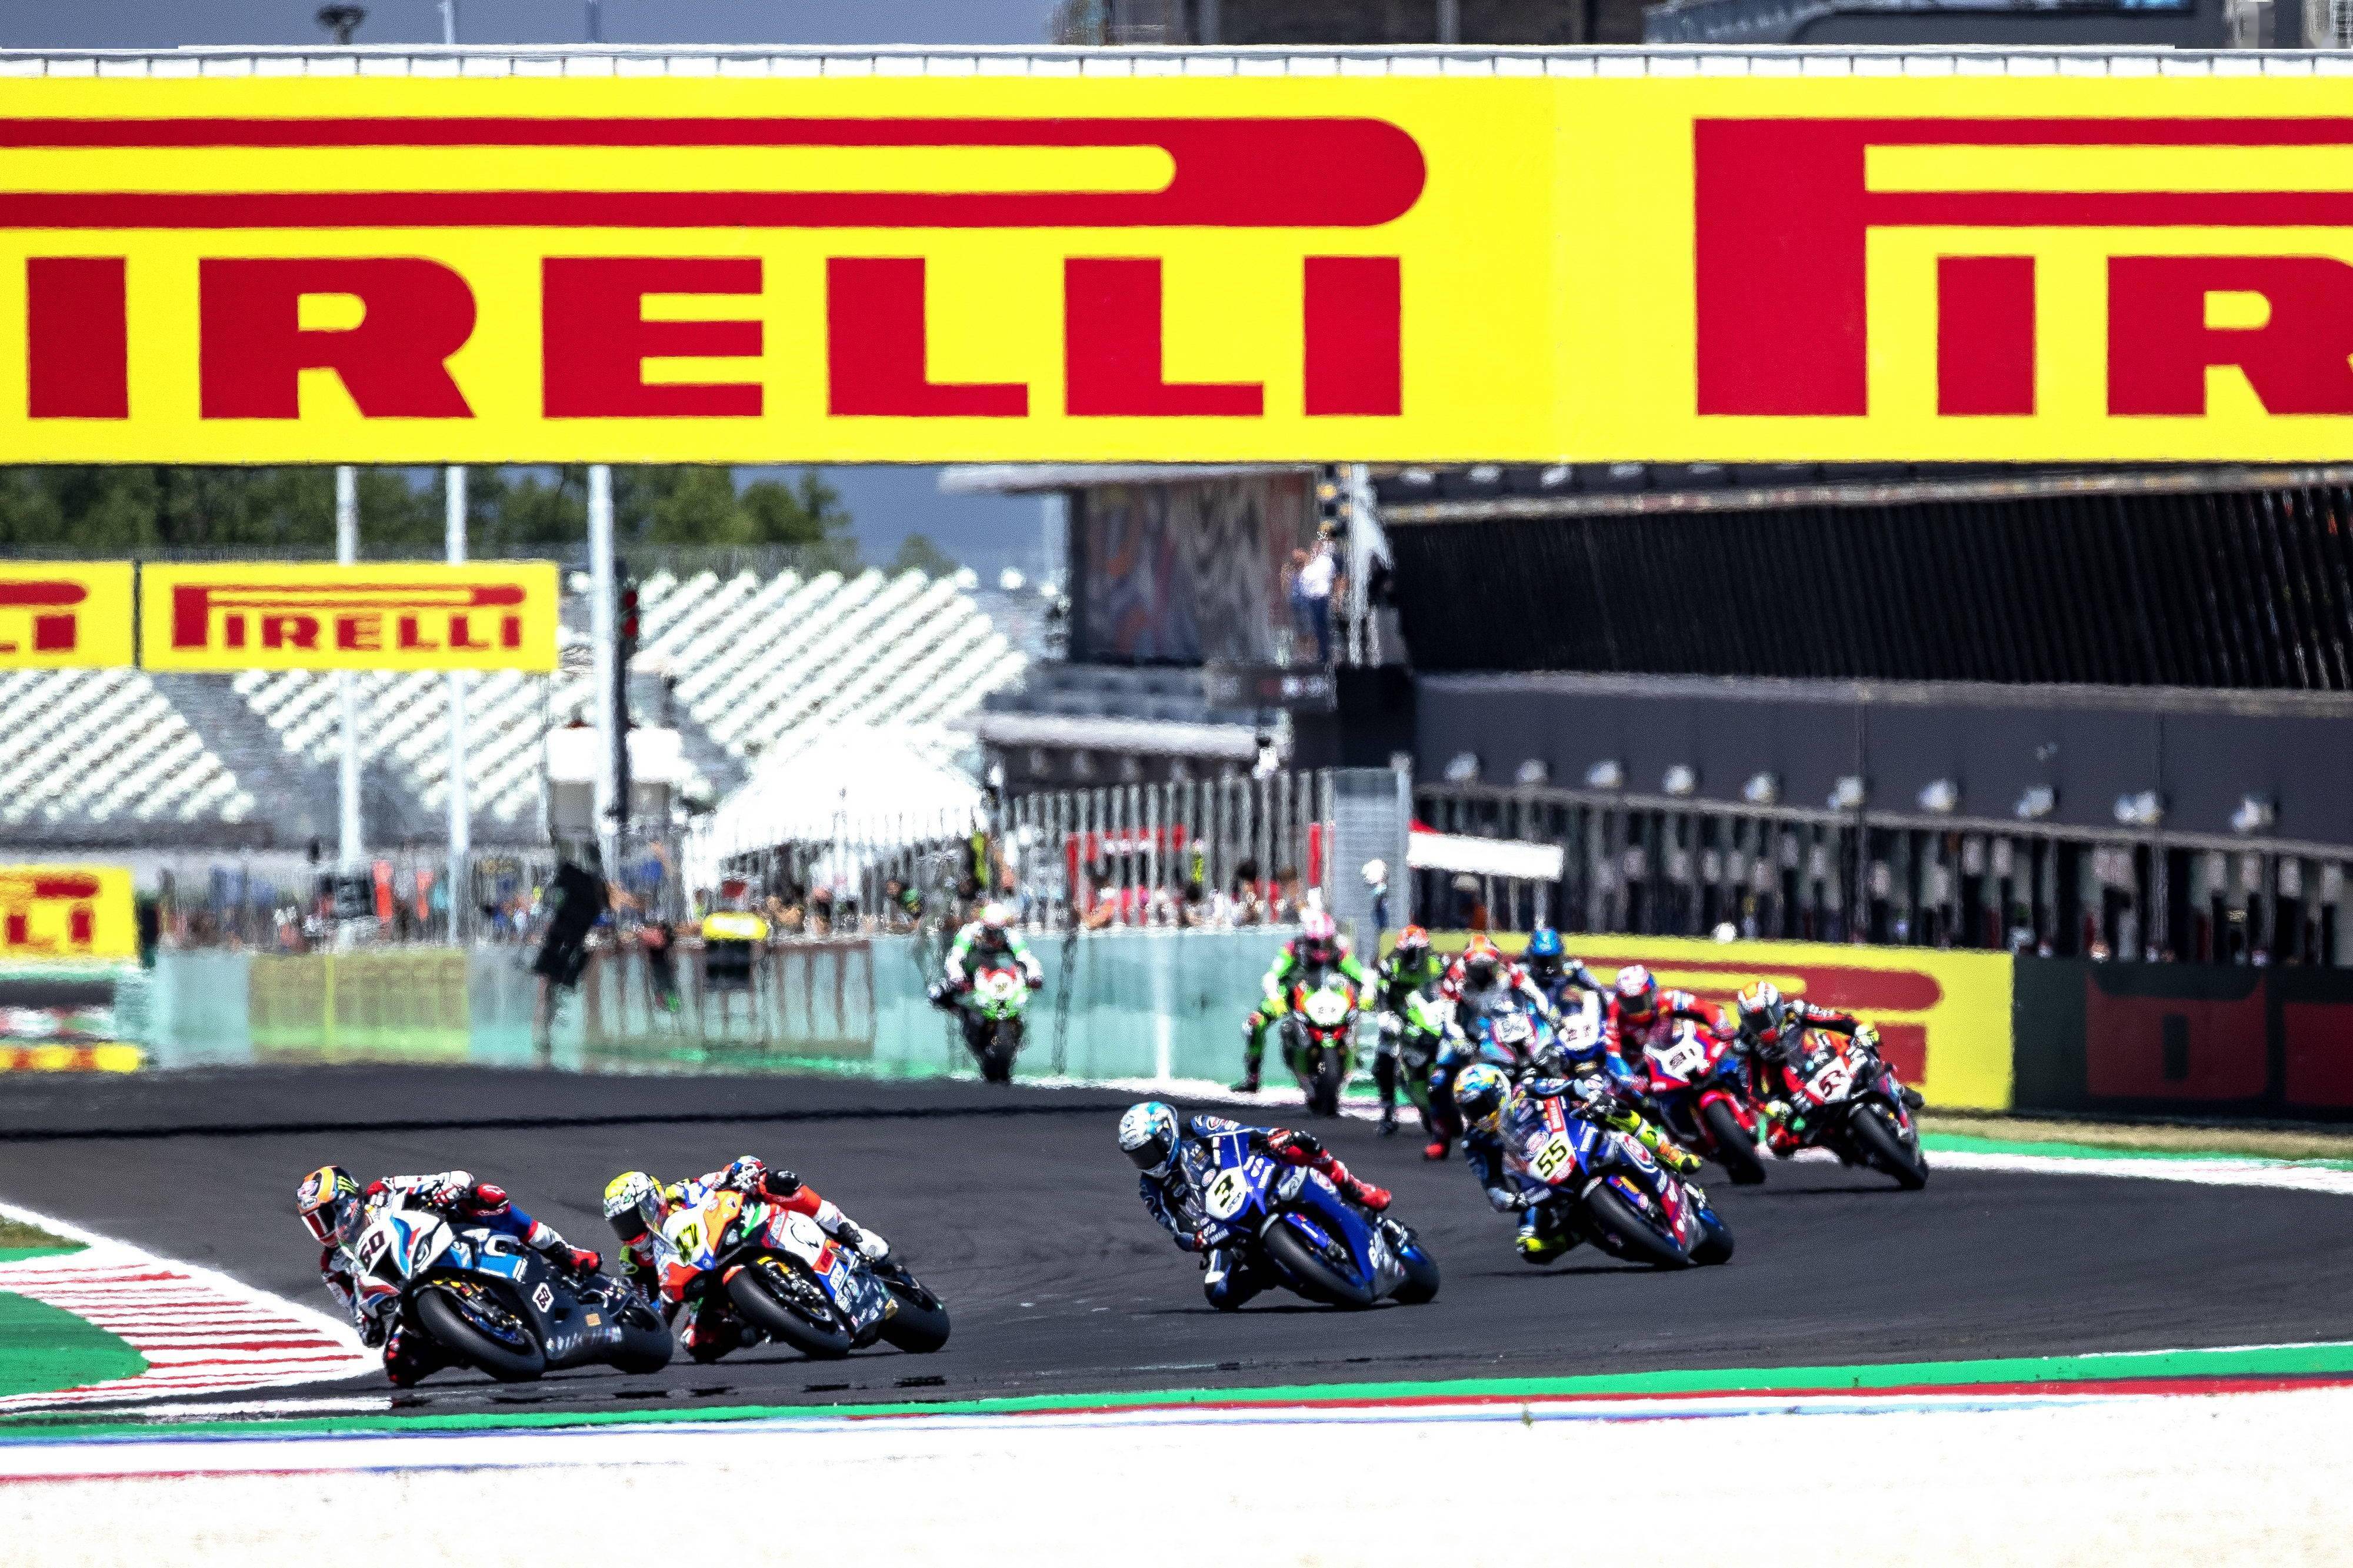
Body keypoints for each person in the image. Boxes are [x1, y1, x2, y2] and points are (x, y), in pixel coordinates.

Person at [296, 1165, 601, 1386]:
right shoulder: (333, 1266)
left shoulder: (384, 1192)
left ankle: (565, 1252)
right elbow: (358, 1315)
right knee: (399, 1368)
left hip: (450, 1247)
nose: (323, 1229)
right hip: (407, 1298)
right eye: (314, 1223)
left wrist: (445, 1192)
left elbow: (457, 1178)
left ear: (347, 1198)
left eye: (325, 1216)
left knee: (487, 1197)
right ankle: (466, 1342)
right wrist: (368, 1322)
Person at [601, 1156, 893, 1362]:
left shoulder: (678, 1193)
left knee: (778, 1183)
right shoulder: (634, 1259)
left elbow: (717, 1179)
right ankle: (758, 1321)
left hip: (738, 1236)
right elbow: (651, 1310)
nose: (629, 1230)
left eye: (632, 1218)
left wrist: (741, 1172)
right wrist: (644, 1313)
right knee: (698, 1344)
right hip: (705, 1285)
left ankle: (851, 1232)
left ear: (652, 1201)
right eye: (621, 1224)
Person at [1117, 1102, 1392, 1310]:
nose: (1145, 1161)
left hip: (1253, 1180)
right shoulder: (1149, 1187)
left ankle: (1354, 1188)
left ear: (1166, 1134)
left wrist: (1270, 1136)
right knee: (1218, 1291)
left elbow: (1240, 1131)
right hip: (1222, 1228)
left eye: (1148, 1151)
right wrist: (1195, 1239)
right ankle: (1272, 1271)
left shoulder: (1196, 1127)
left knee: (1298, 1145)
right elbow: (1175, 1225)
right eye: (1137, 1156)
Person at [1448, 1063, 1702, 1264]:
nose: (1480, 1115)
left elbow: (1568, 1085)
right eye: (1471, 1111)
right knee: (1530, 1247)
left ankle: (1669, 1153)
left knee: (1611, 1109)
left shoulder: (1525, 1089)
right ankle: (1580, 1232)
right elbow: (1491, 1183)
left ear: (1497, 1092)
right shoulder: (1475, 1142)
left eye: (1481, 1105)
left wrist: (1588, 1096)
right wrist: (1508, 1200)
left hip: (1576, 1139)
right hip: (1538, 1184)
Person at [1728, 982, 1919, 1149]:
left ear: (1778, 1006)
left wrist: (1859, 1028)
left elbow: (1834, 1019)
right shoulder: (1745, 1043)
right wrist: (1770, 1105)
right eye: (1756, 1021)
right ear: (1746, 1022)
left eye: (1769, 1015)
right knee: (1776, 1142)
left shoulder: (1796, 1010)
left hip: (1817, 1055)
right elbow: (1749, 1088)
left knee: (1861, 1042)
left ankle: (1895, 1087)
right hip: (1783, 1085)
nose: (1765, 1024)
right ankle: (1825, 1137)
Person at [1234, 910, 1370, 1093]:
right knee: (1255, 1023)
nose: (1321, 948)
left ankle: (1347, 1061)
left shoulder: (1340, 950)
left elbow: (1362, 974)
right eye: (1316, 942)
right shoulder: (1293, 949)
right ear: (1307, 938)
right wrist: (1275, 998)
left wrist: (1368, 992)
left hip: (1329, 998)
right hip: (1292, 994)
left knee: (1352, 1017)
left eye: (1326, 941)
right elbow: (1271, 976)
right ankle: (1253, 1078)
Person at [1368, 925, 1447, 1139]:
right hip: (1399, 1016)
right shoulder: (1390, 965)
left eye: (1418, 952)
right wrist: (1385, 1013)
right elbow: (1380, 992)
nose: (1413, 958)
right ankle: (1388, 1112)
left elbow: (1451, 987)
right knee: (1385, 1060)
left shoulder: (1438, 963)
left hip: (1431, 1016)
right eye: (1409, 953)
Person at [1601, 963, 1725, 1086]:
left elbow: (1705, 1007)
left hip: (1687, 1046)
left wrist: (1722, 1027)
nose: (1636, 1008)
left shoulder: (1667, 997)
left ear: (1653, 992)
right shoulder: (1615, 1016)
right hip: (1649, 1065)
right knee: (1626, 1093)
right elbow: (1612, 1054)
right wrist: (1631, 1080)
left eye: (1641, 1001)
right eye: (1629, 1003)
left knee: (1728, 1052)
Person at [1522, 927, 1602, 1016]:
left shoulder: (1573, 969)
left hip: (1561, 1015)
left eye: (1553, 960)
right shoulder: (1521, 972)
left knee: (1590, 997)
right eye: (1541, 961)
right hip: (1530, 1016)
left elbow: (1600, 990)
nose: (1547, 967)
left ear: (1561, 957)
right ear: (1531, 957)